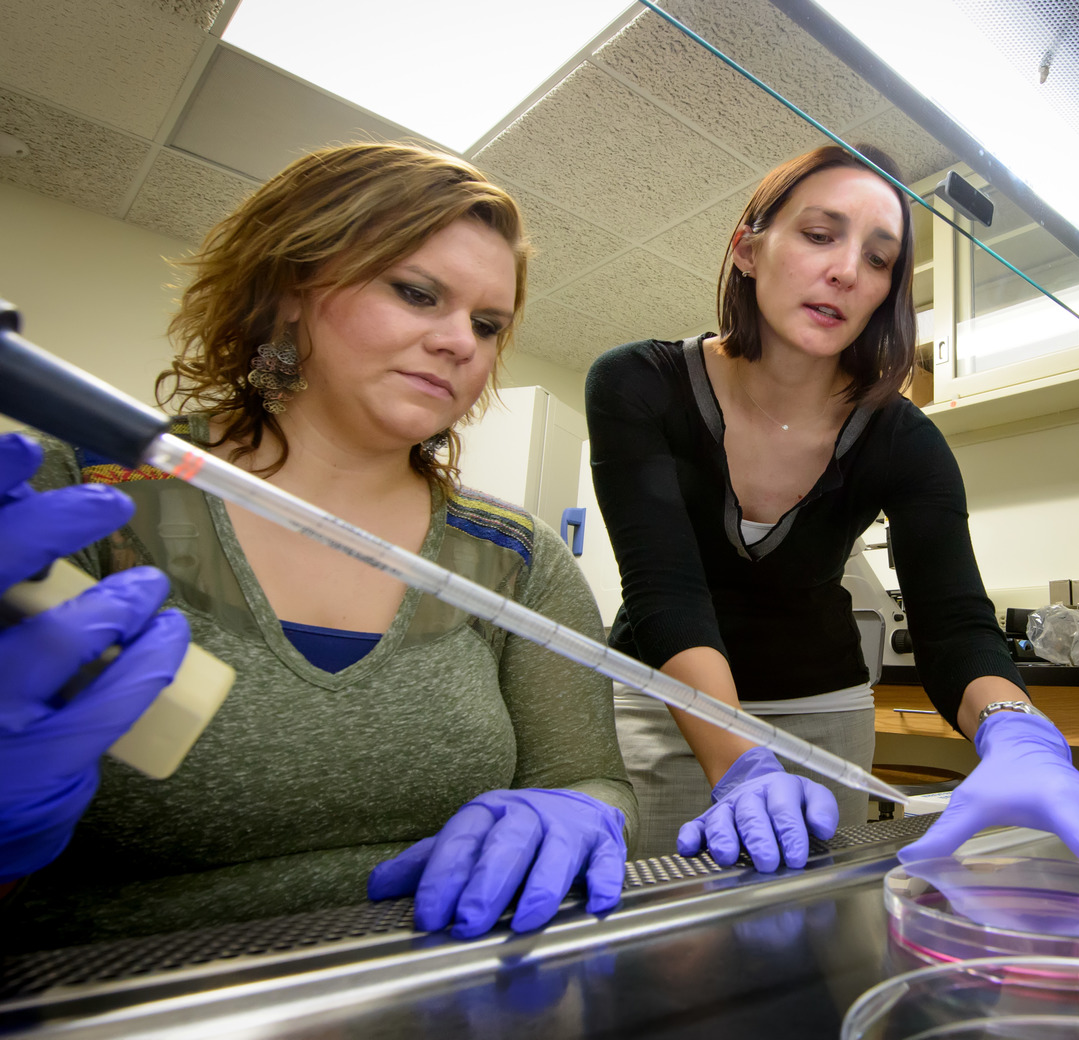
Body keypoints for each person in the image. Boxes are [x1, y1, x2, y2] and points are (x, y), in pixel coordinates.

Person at [0, 143, 636, 951]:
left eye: (487, 325)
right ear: (289, 291)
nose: (460, 343)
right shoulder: (89, 496)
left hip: (436, 983)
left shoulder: (512, 557)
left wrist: (584, 812)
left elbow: (592, 779)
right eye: (416, 293)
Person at [586, 144, 1079, 910]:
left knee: (805, 941)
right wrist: (740, 765)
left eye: (880, 259)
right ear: (747, 248)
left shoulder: (903, 440)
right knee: (665, 934)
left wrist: (1015, 730)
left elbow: (955, 625)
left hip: (820, 715)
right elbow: (666, 590)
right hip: (662, 707)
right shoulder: (638, 384)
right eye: (819, 235)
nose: (846, 271)